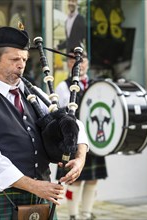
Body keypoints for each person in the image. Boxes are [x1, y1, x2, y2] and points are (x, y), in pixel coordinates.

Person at [0, 26, 88, 219]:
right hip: (4, 196)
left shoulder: (33, 93)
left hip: (41, 196)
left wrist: (80, 157)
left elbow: (70, 123)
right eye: (14, 59)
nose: (21, 65)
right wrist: (35, 186)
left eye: (24, 60)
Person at [55, 51, 108, 220]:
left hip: (94, 138)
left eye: (82, 60)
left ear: (88, 63)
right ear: (68, 64)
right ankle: (73, 215)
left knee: (93, 179)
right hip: (73, 139)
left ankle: (86, 214)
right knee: (74, 180)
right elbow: (62, 114)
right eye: (73, 60)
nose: (78, 63)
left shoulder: (97, 85)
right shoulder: (63, 86)